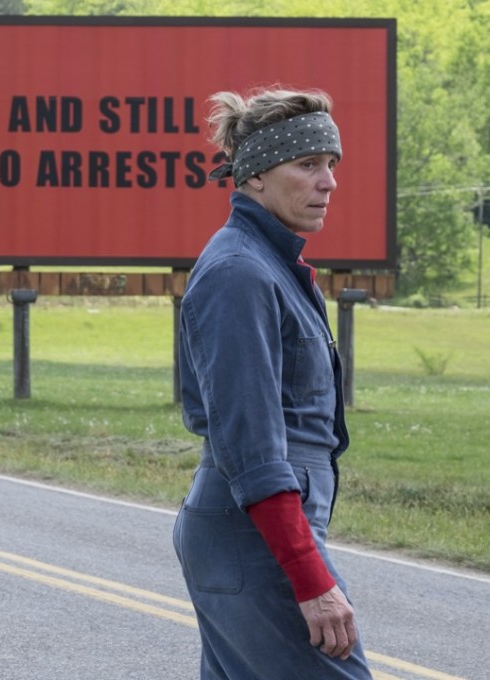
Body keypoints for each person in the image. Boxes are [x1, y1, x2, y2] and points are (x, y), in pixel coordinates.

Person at [173, 87, 372, 679]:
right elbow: (254, 448)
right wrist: (310, 577)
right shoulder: (239, 273)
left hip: (253, 532)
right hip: (254, 536)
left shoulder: (268, 265)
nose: (328, 182)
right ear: (255, 175)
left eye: (331, 165)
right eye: (307, 164)